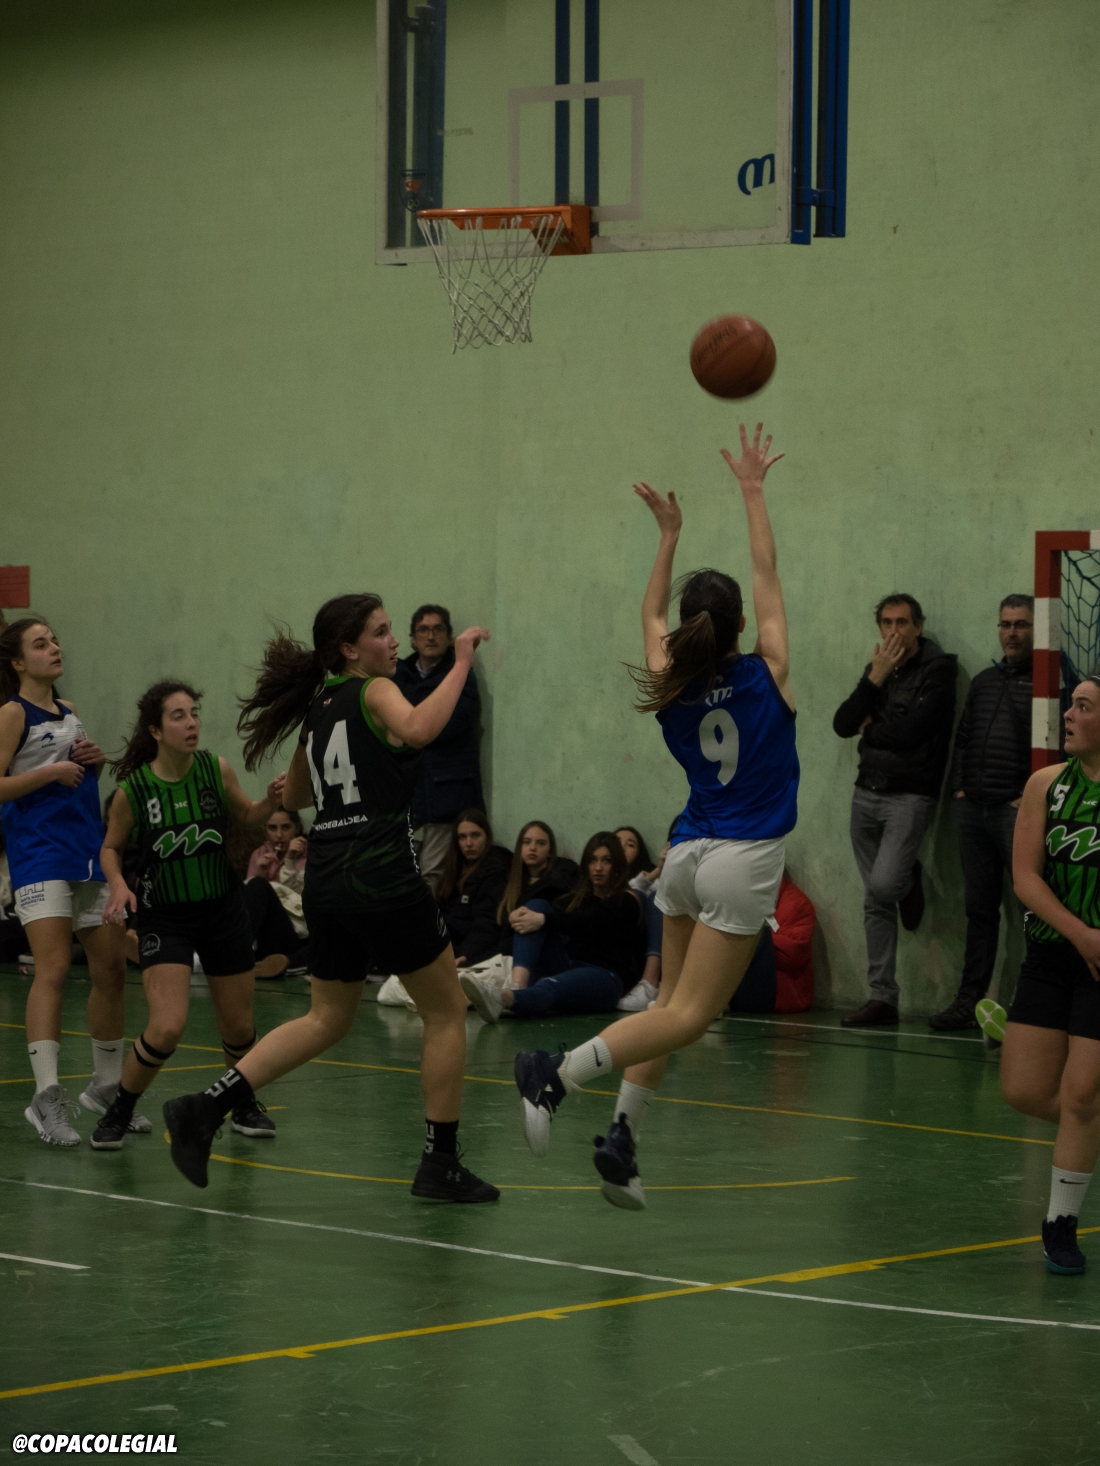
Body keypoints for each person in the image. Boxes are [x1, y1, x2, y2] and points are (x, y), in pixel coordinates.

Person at [511, 423, 798, 1212]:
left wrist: (668, 534)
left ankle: (623, 1138)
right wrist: (752, 489)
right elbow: (767, 572)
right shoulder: (769, 670)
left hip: (685, 853)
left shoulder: (669, 678)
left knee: (667, 1010)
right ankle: (556, 1074)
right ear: (739, 628)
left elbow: (648, 609)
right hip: (741, 858)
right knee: (691, 1017)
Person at [162, 593, 499, 1203]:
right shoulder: (374, 691)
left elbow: (294, 794)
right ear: (350, 649)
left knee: (326, 1018)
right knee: (447, 1011)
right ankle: (440, 1163)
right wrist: (461, 662)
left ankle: (205, 1107)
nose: (393, 641)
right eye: (381, 632)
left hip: (326, 878)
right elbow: (421, 728)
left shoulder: (319, 708)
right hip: (381, 873)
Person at [93, 680, 284, 1150]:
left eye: (194, 713)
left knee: (238, 1026)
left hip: (223, 911)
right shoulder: (134, 791)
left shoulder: (215, 769)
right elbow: (111, 848)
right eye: (178, 716)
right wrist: (118, 884)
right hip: (166, 919)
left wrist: (272, 799)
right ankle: (120, 1108)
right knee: (167, 1027)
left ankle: (243, 1103)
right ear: (156, 730)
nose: (192, 723)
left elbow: (248, 814)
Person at [0, 617, 137, 1147]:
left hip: (85, 852)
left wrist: (92, 764)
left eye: (55, 640)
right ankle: (46, 1096)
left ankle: (106, 1089)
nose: (54, 648)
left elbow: (75, 779)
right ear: (18, 662)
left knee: (111, 970)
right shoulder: (13, 713)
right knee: (53, 969)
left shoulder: (70, 710)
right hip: (39, 856)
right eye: (40, 644)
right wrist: (48, 773)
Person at [993, 675, 1100, 1275]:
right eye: (1071, 705)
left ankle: (1061, 1225)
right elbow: (1025, 878)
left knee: (1082, 1094)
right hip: (1052, 954)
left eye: (1083, 707)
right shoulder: (1046, 785)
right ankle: (1089, 1129)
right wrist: (1079, 933)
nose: (1068, 716)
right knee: (1025, 1090)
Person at [833, 594, 957, 1027]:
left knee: (885, 884)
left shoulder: (939, 669)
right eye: (886, 623)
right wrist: (876, 676)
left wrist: (870, 732)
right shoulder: (879, 669)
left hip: (910, 795)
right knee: (875, 899)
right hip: (866, 792)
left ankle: (907, 879)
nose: (893, 631)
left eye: (902, 622)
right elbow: (842, 723)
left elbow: (914, 732)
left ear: (918, 627)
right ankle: (882, 997)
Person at [930, 596, 1034, 1030]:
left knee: (1034, 913)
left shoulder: (1050, 684)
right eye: (1005, 624)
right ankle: (970, 1002)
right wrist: (960, 788)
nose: (1012, 633)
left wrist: (1028, 798)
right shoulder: (985, 681)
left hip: (1017, 815)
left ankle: (1033, 1007)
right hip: (973, 810)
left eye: (1021, 624)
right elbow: (965, 736)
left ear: (1037, 629)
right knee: (980, 911)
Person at [460, 832, 644, 1021]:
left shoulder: (626, 900)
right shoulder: (577, 898)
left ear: (618, 865)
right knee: (536, 905)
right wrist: (517, 916)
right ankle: (517, 985)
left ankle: (503, 998)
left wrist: (543, 920)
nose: (598, 868)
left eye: (606, 861)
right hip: (568, 967)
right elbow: (549, 916)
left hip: (605, 978)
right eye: (592, 860)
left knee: (549, 985)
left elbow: (589, 921)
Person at [394, 604, 483, 893]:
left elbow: (453, 722)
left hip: (447, 794)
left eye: (437, 629)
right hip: (407, 796)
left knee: (433, 879)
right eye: (423, 630)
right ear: (413, 637)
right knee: (400, 874)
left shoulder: (460, 672)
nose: (430, 636)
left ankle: (428, 925)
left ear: (449, 637)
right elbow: (391, 724)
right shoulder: (398, 674)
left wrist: (413, 721)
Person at [435, 809, 511, 967]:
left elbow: (486, 924)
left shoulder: (496, 870)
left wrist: (466, 954)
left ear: (487, 837)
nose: (468, 843)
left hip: (471, 944)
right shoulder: (455, 867)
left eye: (475, 835)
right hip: (449, 937)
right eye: (462, 837)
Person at [244, 806, 310, 978]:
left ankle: (286, 963)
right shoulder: (259, 854)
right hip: (265, 937)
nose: (279, 835)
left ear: (296, 827)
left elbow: (304, 904)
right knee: (256, 884)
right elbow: (250, 904)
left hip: (296, 932)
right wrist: (261, 875)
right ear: (265, 830)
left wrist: (289, 860)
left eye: (286, 827)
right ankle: (240, 954)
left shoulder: (309, 853)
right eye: (272, 828)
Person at [496, 821, 579, 950]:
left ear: (550, 851)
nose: (533, 848)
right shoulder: (507, 881)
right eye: (527, 842)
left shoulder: (559, 882)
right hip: (509, 950)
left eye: (541, 843)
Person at [615, 827, 667, 1012]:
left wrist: (659, 870)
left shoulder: (651, 883)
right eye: (617, 842)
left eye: (630, 845)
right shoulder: (591, 879)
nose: (622, 847)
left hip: (637, 950)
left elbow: (634, 891)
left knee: (646, 896)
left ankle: (649, 983)